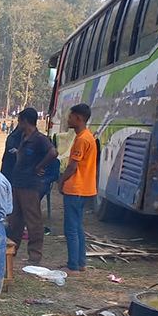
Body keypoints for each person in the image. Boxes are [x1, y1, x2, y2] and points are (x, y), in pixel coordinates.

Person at [6, 108, 58, 265]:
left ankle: (35, 255)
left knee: (33, 220)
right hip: (18, 183)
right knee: (15, 220)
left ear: (24, 121)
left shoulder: (40, 139)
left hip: (30, 185)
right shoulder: (24, 137)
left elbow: (53, 153)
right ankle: (12, 251)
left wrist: (39, 166)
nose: (18, 123)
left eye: (20, 120)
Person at [59, 103, 97, 275]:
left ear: (79, 118)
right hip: (85, 188)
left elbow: (73, 166)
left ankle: (73, 266)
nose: (68, 119)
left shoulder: (82, 139)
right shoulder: (87, 136)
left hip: (76, 188)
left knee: (71, 228)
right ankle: (81, 262)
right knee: (78, 226)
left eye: (70, 116)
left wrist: (61, 181)